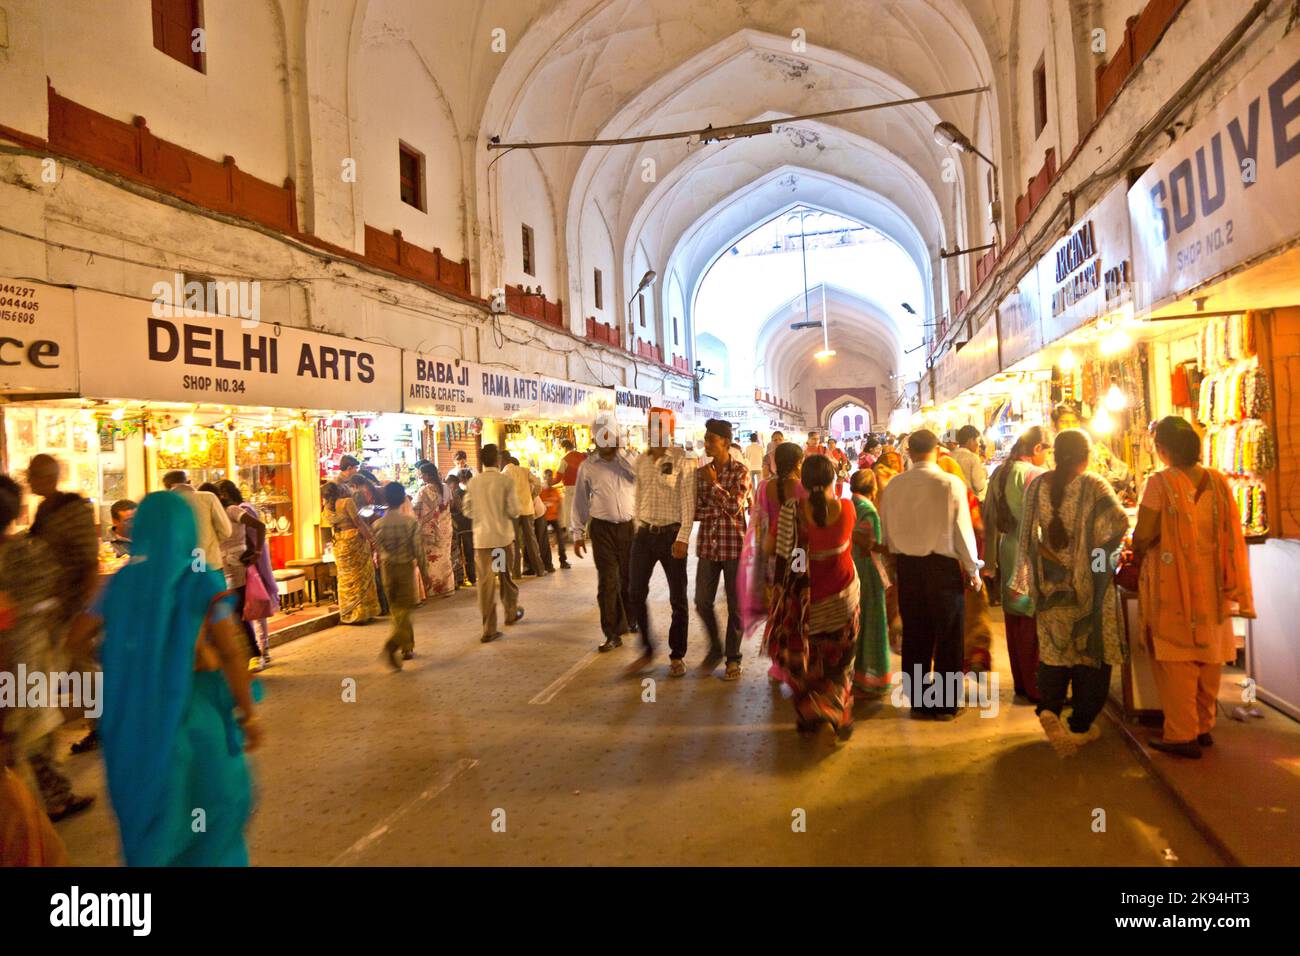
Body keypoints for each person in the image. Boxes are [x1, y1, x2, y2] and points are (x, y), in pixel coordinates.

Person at [75, 491, 261, 865]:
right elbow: (229, 652)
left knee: (151, 821)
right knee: (210, 817)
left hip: (133, 724)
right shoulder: (200, 582)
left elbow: (74, 640)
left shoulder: (118, 584)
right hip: (194, 719)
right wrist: (248, 712)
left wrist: (122, 664)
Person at [1132, 416, 1255, 759]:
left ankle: (1180, 734)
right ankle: (1203, 726)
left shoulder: (1160, 483)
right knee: (1209, 655)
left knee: (1176, 660)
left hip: (1172, 585)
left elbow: (1142, 534)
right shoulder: (1217, 481)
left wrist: (1140, 546)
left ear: (1165, 450)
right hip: (1213, 583)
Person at [1011, 430, 1128, 756]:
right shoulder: (1094, 485)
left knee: (1053, 653)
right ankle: (1079, 724)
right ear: (1086, 455)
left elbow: (1028, 536)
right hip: (1088, 591)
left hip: (1050, 590)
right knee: (1090, 655)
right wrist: (1096, 558)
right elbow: (1117, 525)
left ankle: (1049, 708)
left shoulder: (1038, 486)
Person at [0, 474, 95, 823]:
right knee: (32, 734)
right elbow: (53, 594)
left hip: (19, 657)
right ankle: (44, 804)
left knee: (25, 737)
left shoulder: (29, 547)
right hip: (31, 655)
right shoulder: (31, 552)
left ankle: (42, 804)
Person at [877, 430, 982, 719]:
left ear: (908, 452)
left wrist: (892, 568)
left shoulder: (895, 486)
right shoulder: (950, 484)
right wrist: (973, 570)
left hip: (909, 570)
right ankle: (946, 705)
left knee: (916, 636)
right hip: (942, 571)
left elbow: (886, 533)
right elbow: (962, 532)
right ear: (937, 450)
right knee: (948, 636)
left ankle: (920, 703)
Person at [768, 455, 860, 742]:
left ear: (803, 483)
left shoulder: (791, 512)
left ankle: (810, 713)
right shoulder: (846, 508)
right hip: (843, 602)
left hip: (807, 609)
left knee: (811, 663)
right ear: (834, 479)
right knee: (840, 665)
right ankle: (835, 711)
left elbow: (774, 550)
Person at [982, 426, 1048, 702]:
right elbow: (1046, 519)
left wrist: (990, 561)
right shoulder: (1035, 475)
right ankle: (1037, 686)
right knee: (1033, 620)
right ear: (1036, 449)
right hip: (1031, 551)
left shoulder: (999, 473)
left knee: (1015, 619)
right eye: (1048, 449)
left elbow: (989, 518)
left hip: (1007, 549)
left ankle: (1022, 682)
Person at [627, 408, 694, 674]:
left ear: (670, 431)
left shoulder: (682, 459)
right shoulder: (641, 461)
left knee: (678, 598)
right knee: (635, 593)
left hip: (671, 536)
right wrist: (637, 527)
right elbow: (638, 496)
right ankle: (647, 649)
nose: (656, 433)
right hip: (644, 535)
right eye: (653, 427)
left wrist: (683, 537)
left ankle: (677, 655)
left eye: (662, 428)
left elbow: (688, 502)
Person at [570, 418, 637, 653]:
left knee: (628, 579)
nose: (606, 441)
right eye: (602, 436)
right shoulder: (588, 467)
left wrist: (622, 454)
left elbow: (640, 476)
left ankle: (630, 619)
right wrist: (577, 533)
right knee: (608, 581)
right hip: (602, 530)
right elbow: (579, 501)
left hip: (628, 528)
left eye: (610, 436)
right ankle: (611, 633)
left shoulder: (628, 461)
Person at [693, 418, 751, 680]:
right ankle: (715, 647)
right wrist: (720, 502)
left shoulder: (741, 471)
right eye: (705, 440)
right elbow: (695, 510)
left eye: (711, 440)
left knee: (736, 606)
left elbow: (735, 506)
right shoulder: (699, 473)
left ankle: (733, 657)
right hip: (708, 545)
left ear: (725, 443)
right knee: (702, 601)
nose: (706, 445)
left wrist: (714, 486)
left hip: (734, 547)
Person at [745, 441, 806, 685]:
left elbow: (759, 522)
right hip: (797, 555)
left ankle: (777, 664)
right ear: (798, 463)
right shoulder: (802, 488)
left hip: (772, 558)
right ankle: (796, 660)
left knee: (778, 607)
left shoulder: (763, 487)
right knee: (797, 607)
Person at [463, 444, 524, 642]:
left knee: (486, 585)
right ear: (497, 460)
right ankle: (510, 612)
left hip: (482, 542)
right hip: (500, 541)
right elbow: (514, 510)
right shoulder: (504, 481)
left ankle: (489, 629)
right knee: (504, 577)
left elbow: (467, 510)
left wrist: (481, 517)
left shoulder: (474, 483)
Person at [215, 480, 277, 672]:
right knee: (240, 607)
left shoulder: (234, 511)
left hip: (240, 564)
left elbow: (258, 527)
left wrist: (256, 552)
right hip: (224, 566)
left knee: (245, 606)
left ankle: (258, 652)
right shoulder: (214, 517)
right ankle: (254, 651)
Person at [374, 482, 432, 670]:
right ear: (402, 499)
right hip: (405, 567)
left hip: (387, 568)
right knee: (406, 609)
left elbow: (378, 549)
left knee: (396, 609)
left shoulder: (378, 524)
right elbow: (418, 550)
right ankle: (393, 645)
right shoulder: (409, 523)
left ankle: (407, 647)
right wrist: (424, 572)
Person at [849, 469, 891, 698]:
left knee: (856, 621)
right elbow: (871, 543)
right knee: (872, 622)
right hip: (868, 571)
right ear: (873, 489)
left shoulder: (848, 505)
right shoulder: (869, 511)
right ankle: (871, 677)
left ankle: (855, 673)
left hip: (851, 568)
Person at [321, 480, 380, 624]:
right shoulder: (347, 502)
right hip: (354, 540)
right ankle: (362, 612)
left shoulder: (325, 509)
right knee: (361, 577)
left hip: (339, 543)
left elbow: (327, 529)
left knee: (345, 578)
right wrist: (372, 540)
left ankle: (348, 613)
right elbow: (358, 523)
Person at [162, 469, 232, 574]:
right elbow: (226, 531)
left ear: (167, 487)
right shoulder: (208, 497)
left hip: (180, 568)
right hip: (210, 564)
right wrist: (209, 540)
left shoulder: (164, 504)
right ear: (188, 482)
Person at [1052, 402, 1130, 490]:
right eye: (1064, 422)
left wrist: (1103, 483)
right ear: (1055, 425)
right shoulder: (1050, 454)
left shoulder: (1097, 449)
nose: (1070, 426)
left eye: (1074, 422)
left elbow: (1123, 472)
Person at [414, 463, 456, 597]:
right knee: (445, 557)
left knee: (432, 560)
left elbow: (416, 509)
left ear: (427, 475)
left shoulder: (423, 491)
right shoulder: (445, 488)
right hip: (446, 527)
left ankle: (434, 589)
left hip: (430, 531)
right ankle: (448, 586)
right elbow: (453, 504)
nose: (420, 477)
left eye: (421, 474)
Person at [505, 455, 546, 578]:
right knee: (531, 541)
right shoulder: (525, 470)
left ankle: (516, 573)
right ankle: (540, 570)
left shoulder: (505, 472)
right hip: (527, 510)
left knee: (515, 542)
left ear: (505, 461)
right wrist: (532, 495)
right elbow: (538, 484)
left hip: (513, 512)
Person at [447, 473, 476, 588]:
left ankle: (459, 580)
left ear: (453, 484)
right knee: (470, 554)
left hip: (458, 528)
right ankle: (472, 578)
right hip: (469, 526)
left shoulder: (454, 495)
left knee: (458, 555)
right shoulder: (466, 493)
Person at [555, 438, 587, 536]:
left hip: (570, 490)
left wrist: (546, 482)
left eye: (560, 448)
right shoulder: (583, 456)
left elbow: (557, 479)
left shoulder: (564, 459)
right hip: (583, 488)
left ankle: (572, 535)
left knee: (569, 513)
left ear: (564, 447)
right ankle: (583, 533)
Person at [538, 470, 569, 571]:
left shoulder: (556, 492)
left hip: (554, 518)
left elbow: (560, 508)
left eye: (551, 477)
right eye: (548, 477)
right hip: (543, 519)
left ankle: (563, 561)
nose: (550, 479)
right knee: (543, 541)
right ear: (544, 478)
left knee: (560, 539)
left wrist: (562, 524)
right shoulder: (541, 491)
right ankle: (546, 563)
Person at [952, 425, 988, 501]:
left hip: (954, 500)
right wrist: (984, 474)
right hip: (970, 502)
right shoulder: (972, 458)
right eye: (977, 441)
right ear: (970, 440)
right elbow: (979, 486)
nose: (978, 444)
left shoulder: (950, 456)